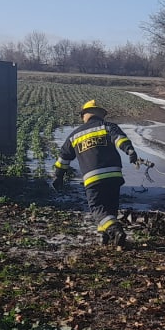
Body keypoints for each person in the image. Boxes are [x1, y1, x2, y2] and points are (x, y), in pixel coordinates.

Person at [53, 100, 139, 247]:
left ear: (84, 116)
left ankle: (115, 230)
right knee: (109, 208)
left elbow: (63, 158)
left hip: (93, 179)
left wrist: (59, 176)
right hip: (114, 177)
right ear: (101, 114)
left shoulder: (75, 135)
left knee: (98, 209)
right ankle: (103, 237)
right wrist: (129, 151)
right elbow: (120, 139)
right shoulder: (108, 126)